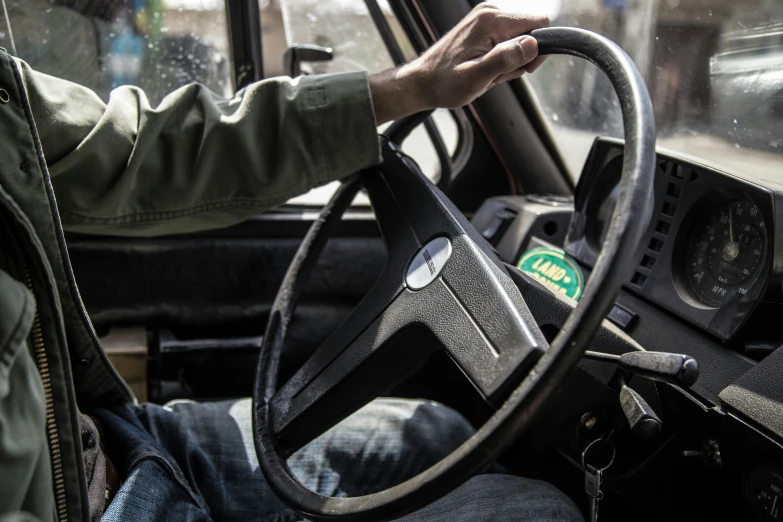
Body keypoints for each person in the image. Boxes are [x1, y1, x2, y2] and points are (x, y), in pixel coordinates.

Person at [0, 3, 582, 522]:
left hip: (105, 444)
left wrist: (409, 87)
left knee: (440, 431)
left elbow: (143, 150)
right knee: (539, 510)